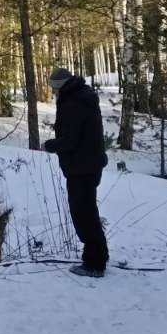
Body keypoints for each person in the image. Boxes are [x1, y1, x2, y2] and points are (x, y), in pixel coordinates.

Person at [43, 66, 108, 277]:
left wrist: (50, 145)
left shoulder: (73, 104)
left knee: (83, 215)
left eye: (54, 88)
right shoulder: (82, 97)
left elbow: (70, 140)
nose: (53, 92)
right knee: (88, 212)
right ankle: (98, 256)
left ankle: (94, 264)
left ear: (60, 86)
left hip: (82, 167)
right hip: (89, 165)